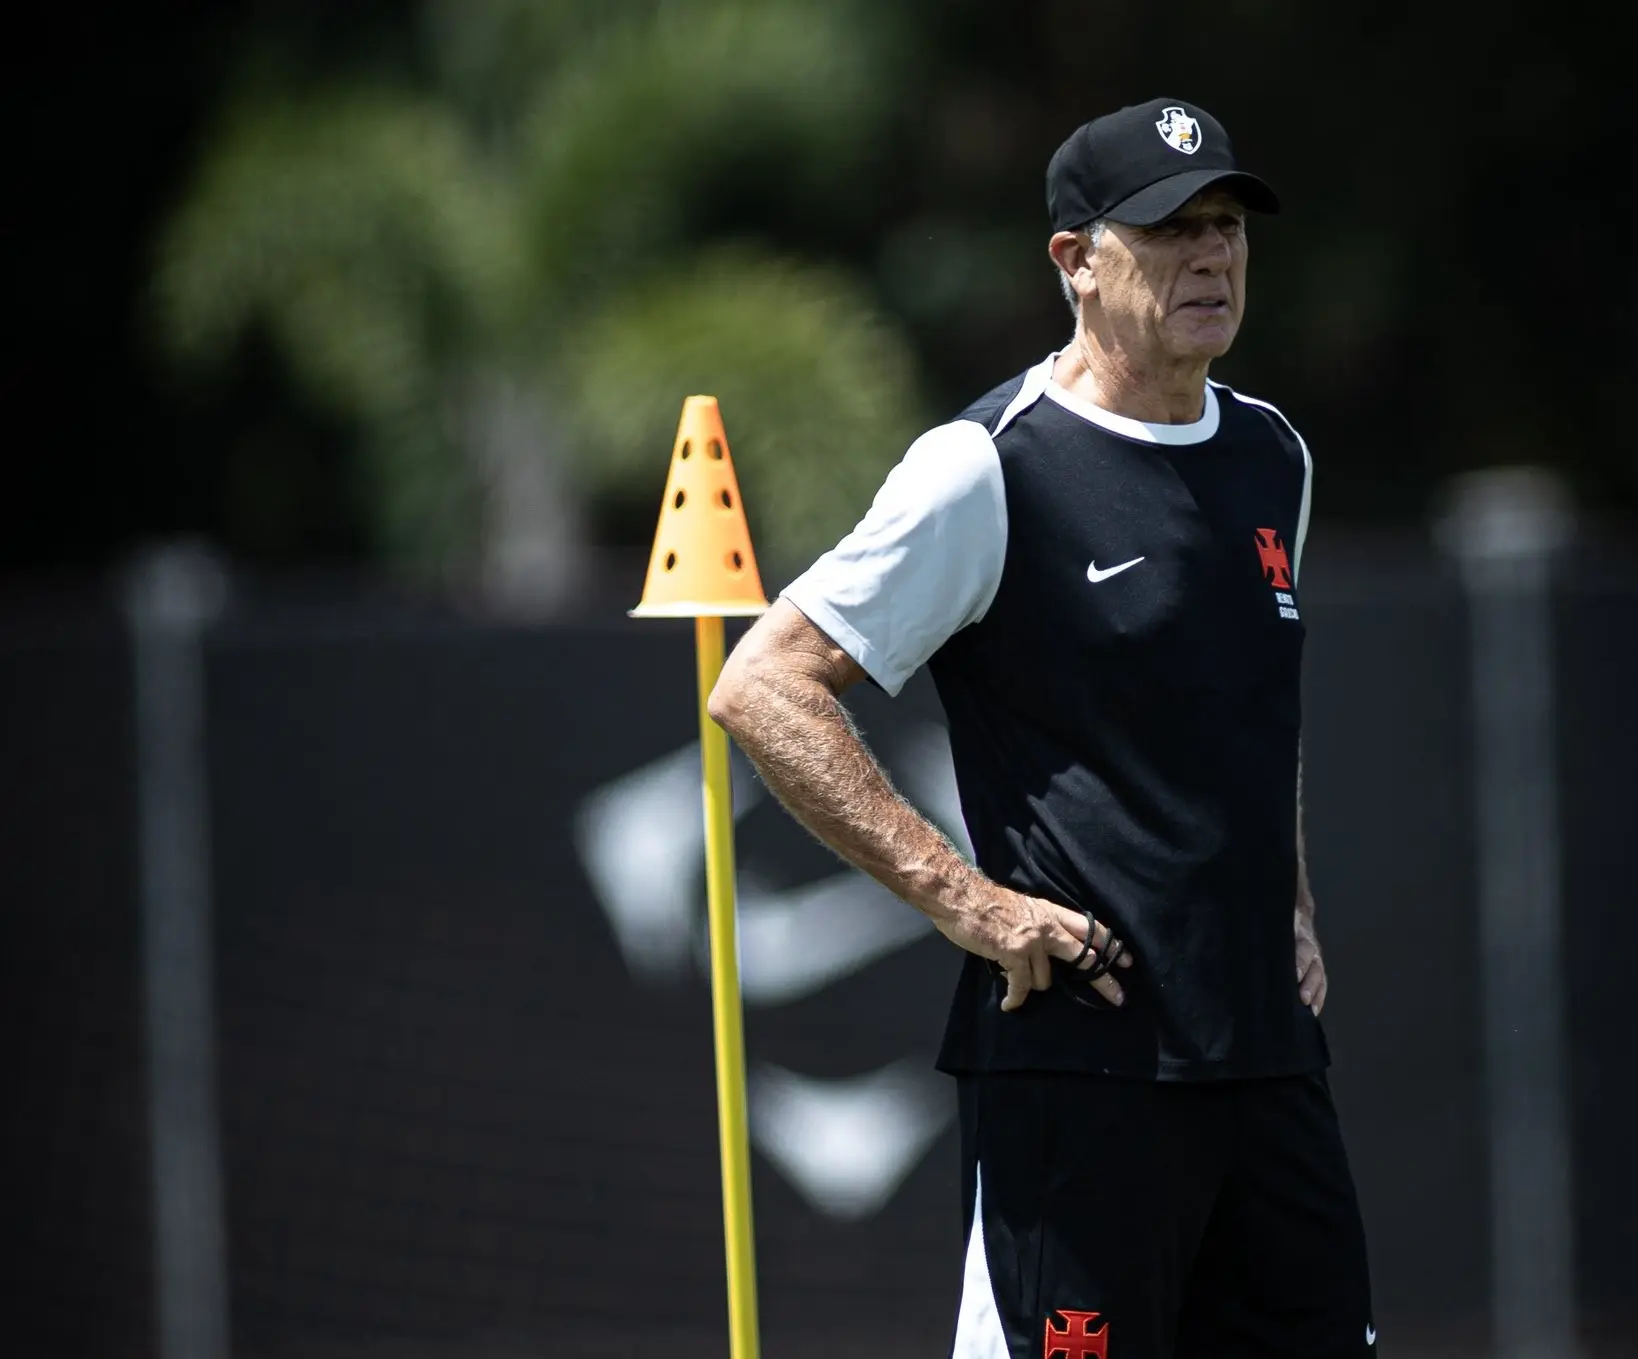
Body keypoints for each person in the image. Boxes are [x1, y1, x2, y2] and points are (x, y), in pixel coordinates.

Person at [707, 96, 1375, 1359]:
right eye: (1169, 229)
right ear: (1076, 260)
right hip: (1085, 1071)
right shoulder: (988, 466)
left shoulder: (1271, 452)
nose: (1211, 256)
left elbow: (1252, 701)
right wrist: (967, 902)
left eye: (1227, 226)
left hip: (1271, 1061)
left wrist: (1288, 898)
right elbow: (765, 685)